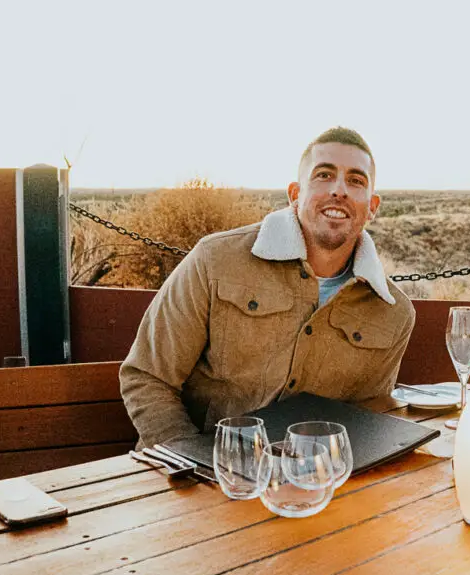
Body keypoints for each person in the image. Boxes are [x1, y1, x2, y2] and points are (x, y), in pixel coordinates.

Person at [120, 127, 416, 447]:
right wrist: (192, 462)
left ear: (372, 206)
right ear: (294, 194)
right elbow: (147, 377)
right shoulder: (215, 260)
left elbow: (364, 418)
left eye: (356, 180)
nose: (339, 190)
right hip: (188, 476)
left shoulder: (393, 313)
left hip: (312, 484)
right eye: (324, 175)